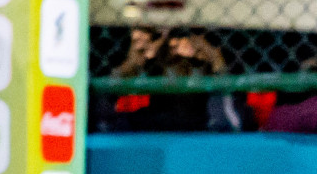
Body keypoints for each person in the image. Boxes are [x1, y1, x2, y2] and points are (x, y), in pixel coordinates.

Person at [93, 26, 248, 132]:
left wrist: (216, 61)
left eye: (194, 62)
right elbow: (102, 122)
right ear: (163, 67)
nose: (183, 64)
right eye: (174, 58)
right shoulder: (144, 122)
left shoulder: (213, 121)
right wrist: (130, 66)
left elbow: (231, 124)